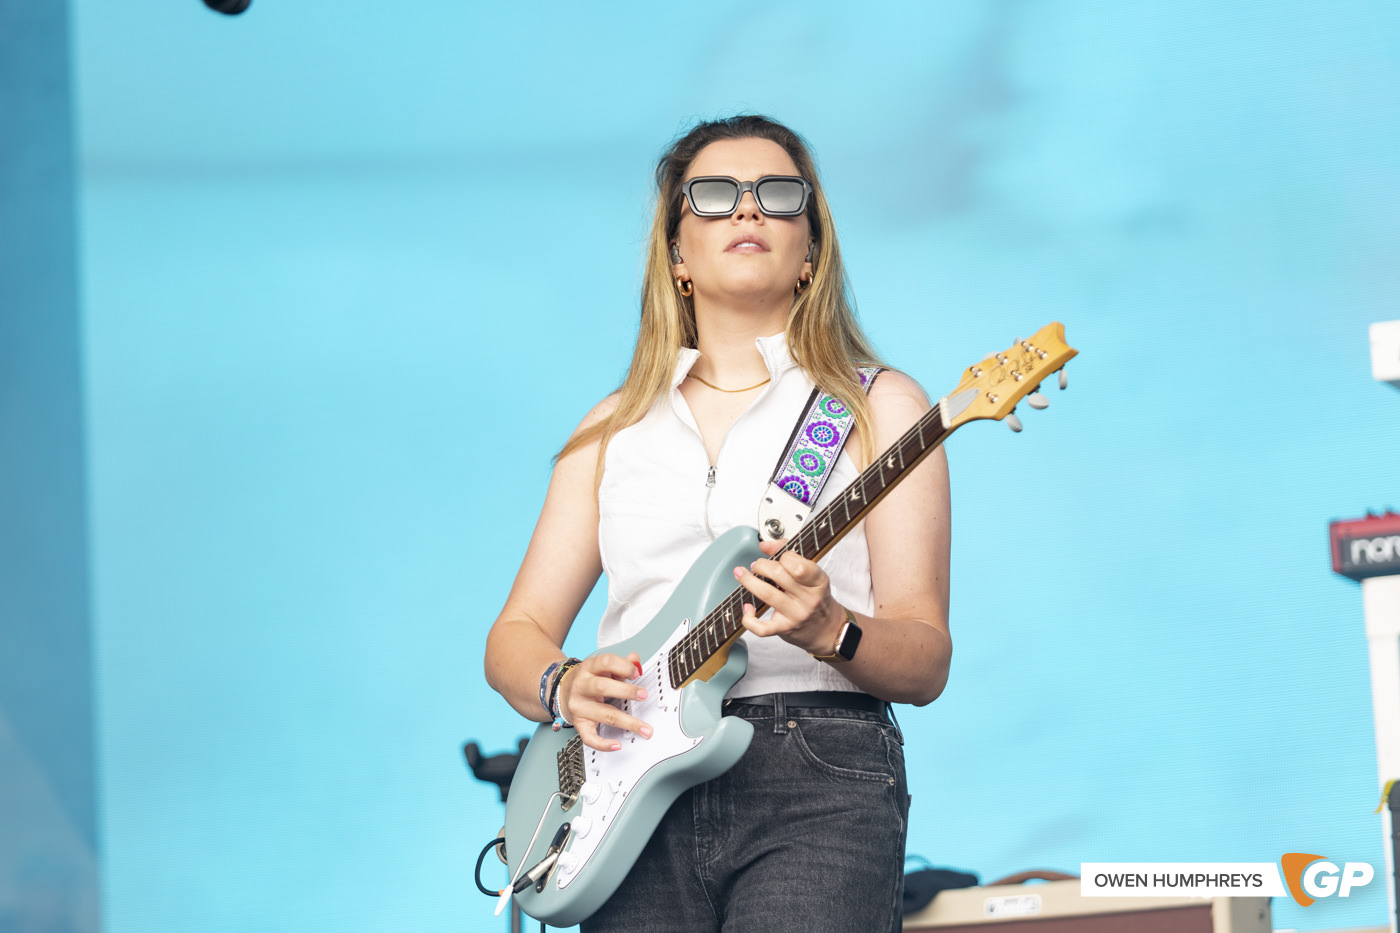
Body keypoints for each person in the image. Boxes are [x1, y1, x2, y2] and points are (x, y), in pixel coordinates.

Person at [484, 114, 951, 933]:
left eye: (777, 195)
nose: (747, 211)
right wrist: (562, 683)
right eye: (715, 196)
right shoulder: (609, 431)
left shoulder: (877, 407)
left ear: (810, 249)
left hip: (815, 772)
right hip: (625, 787)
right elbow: (515, 633)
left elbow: (926, 657)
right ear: (676, 254)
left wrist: (832, 626)